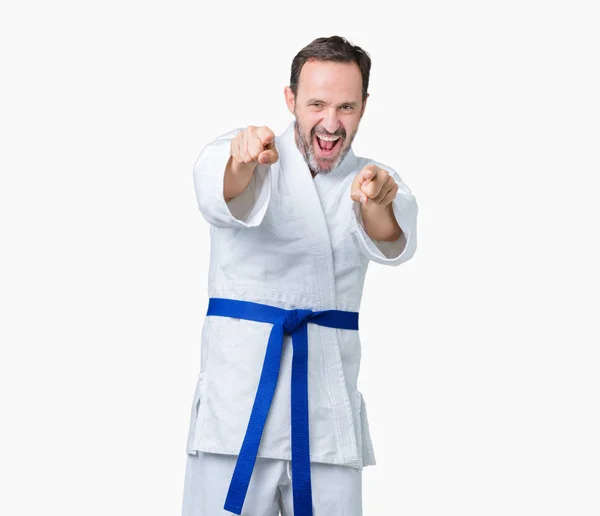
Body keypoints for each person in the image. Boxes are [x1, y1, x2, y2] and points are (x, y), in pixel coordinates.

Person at [182, 35, 418, 516]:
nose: (331, 123)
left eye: (347, 107)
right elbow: (220, 191)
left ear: (364, 107)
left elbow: (391, 236)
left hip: (326, 419)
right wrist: (241, 160)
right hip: (238, 408)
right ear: (290, 99)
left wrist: (377, 202)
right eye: (317, 104)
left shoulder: (374, 180)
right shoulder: (246, 154)